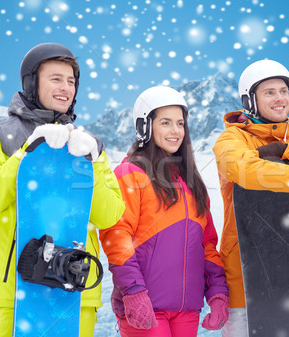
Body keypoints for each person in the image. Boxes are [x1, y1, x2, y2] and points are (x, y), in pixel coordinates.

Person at [0, 42, 125, 337]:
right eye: (56, 78)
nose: (66, 87)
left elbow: (109, 214)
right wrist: (28, 153)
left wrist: (91, 163)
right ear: (31, 83)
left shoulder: (90, 143)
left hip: (75, 291)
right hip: (15, 292)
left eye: (71, 81)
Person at [99, 85, 229, 337]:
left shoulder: (191, 182)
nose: (175, 131)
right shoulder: (130, 173)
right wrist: (134, 291)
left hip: (187, 309)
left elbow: (208, 244)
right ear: (145, 127)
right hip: (146, 306)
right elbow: (117, 236)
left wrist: (217, 292)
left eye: (180, 124)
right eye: (166, 123)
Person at [212, 59, 289, 337]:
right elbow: (244, 170)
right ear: (249, 100)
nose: (280, 98)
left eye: (283, 91)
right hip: (245, 274)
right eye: (269, 92)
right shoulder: (231, 141)